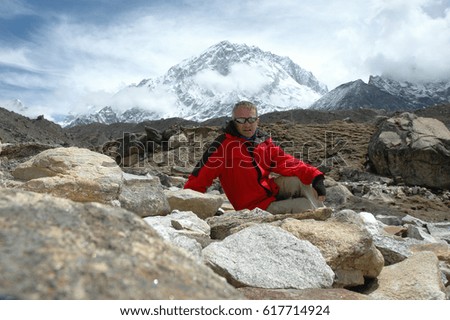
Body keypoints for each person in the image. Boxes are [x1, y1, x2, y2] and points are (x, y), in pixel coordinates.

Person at [184, 100, 326, 214]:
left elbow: (286, 162)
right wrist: (189, 204)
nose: (247, 125)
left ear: (258, 121)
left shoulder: (262, 141)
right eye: (241, 120)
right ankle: (321, 222)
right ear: (233, 122)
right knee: (305, 205)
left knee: (300, 181)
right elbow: (200, 177)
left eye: (251, 119)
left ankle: (323, 215)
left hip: (270, 191)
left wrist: (316, 176)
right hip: (252, 206)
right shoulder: (222, 146)